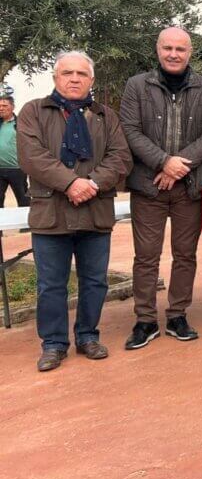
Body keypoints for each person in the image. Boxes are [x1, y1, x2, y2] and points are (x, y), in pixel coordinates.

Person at [17, 51, 132, 371]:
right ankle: (53, 344)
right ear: (55, 77)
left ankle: (87, 336)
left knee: (95, 282)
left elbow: (120, 157)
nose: (74, 79)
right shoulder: (33, 112)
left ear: (91, 80)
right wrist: (70, 184)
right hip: (50, 214)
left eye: (81, 74)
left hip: (95, 213)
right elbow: (31, 157)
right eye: (67, 73)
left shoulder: (106, 116)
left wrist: (92, 184)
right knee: (51, 284)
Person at [120, 26, 202, 349]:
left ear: (190, 52)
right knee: (146, 256)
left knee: (185, 255)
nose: (173, 54)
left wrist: (179, 166)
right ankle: (145, 320)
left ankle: (178, 314)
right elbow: (130, 130)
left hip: (190, 188)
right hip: (148, 186)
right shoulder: (137, 86)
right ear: (157, 50)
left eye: (180, 49)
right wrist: (164, 162)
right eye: (168, 48)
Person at [0, 96, 29, 207]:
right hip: (0, 169)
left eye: (4, 106)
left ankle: (27, 223)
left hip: (17, 169)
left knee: (23, 199)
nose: (1, 108)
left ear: (12, 107)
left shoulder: (20, 124)